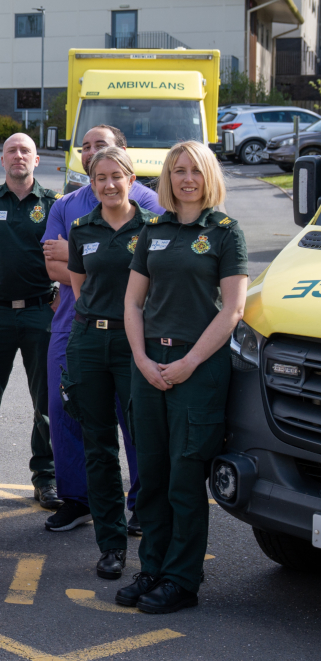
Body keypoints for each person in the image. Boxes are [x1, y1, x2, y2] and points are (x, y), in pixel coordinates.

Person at [118, 140, 248, 614]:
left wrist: (190, 362)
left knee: (184, 480)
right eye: (177, 171)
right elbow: (133, 303)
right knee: (150, 476)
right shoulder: (154, 230)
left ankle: (181, 580)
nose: (186, 178)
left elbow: (232, 310)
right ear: (167, 179)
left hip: (198, 368)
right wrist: (141, 359)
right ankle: (151, 567)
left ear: (208, 175)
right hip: (149, 366)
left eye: (195, 170)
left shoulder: (225, 233)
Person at [40, 125, 163, 533]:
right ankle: (78, 498)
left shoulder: (149, 205)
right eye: (87, 148)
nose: (94, 154)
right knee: (67, 411)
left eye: (103, 147)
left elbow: (154, 269)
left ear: (125, 161)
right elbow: (55, 265)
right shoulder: (67, 206)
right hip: (75, 325)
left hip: (134, 328)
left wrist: (86, 263)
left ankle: (141, 503)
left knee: (135, 417)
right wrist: (87, 264)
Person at [63, 147, 157, 581]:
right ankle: (111, 546)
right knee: (99, 448)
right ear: (92, 182)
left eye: (116, 176)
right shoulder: (82, 229)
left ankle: (157, 543)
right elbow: (80, 288)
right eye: (99, 178)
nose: (108, 185)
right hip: (89, 341)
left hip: (135, 343)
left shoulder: (154, 227)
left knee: (147, 440)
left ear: (131, 177)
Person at [0, 133, 60, 508]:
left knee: (46, 403)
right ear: (2, 161)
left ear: (37, 161)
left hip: (40, 311)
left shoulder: (54, 205)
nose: (18, 156)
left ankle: (46, 478)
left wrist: (62, 297)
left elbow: (74, 260)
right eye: (11, 151)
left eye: (25, 151)